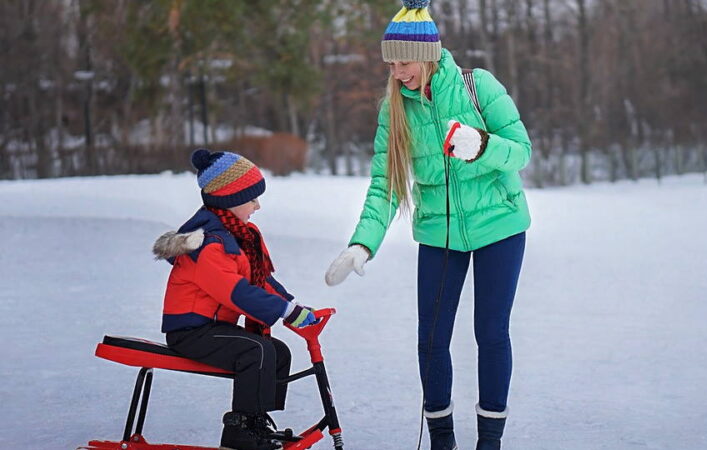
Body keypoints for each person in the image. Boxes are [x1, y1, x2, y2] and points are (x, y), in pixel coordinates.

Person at [324, 1, 531, 449]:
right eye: (391, 64)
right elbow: (385, 184)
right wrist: (363, 243)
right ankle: (442, 440)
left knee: (490, 332)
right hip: (439, 232)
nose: (398, 73)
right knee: (432, 339)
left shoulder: (479, 87)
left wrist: (482, 145)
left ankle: (489, 442)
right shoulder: (395, 110)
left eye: (404, 62)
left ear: (429, 53)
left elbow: (521, 150)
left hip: (501, 225)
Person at [153, 149, 317, 450]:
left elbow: (259, 280)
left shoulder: (237, 236)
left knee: (277, 352)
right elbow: (235, 291)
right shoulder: (210, 244)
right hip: (191, 332)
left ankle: (255, 421)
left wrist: (294, 307)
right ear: (228, 199)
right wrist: (284, 310)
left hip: (214, 328)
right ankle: (239, 433)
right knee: (257, 350)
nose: (257, 205)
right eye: (251, 198)